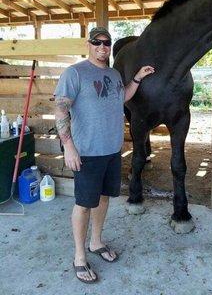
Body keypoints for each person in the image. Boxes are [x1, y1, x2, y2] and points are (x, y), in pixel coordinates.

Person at [54, 27, 154, 284]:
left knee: (104, 200)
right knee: (84, 205)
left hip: (111, 150)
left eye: (106, 43)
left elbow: (121, 97)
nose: (102, 47)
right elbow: (61, 110)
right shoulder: (75, 73)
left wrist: (138, 78)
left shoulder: (112, 74)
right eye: (97, 42)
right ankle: (79, 256)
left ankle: (96, 242)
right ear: (89, 44)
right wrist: (69, 147)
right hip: (87, 152)